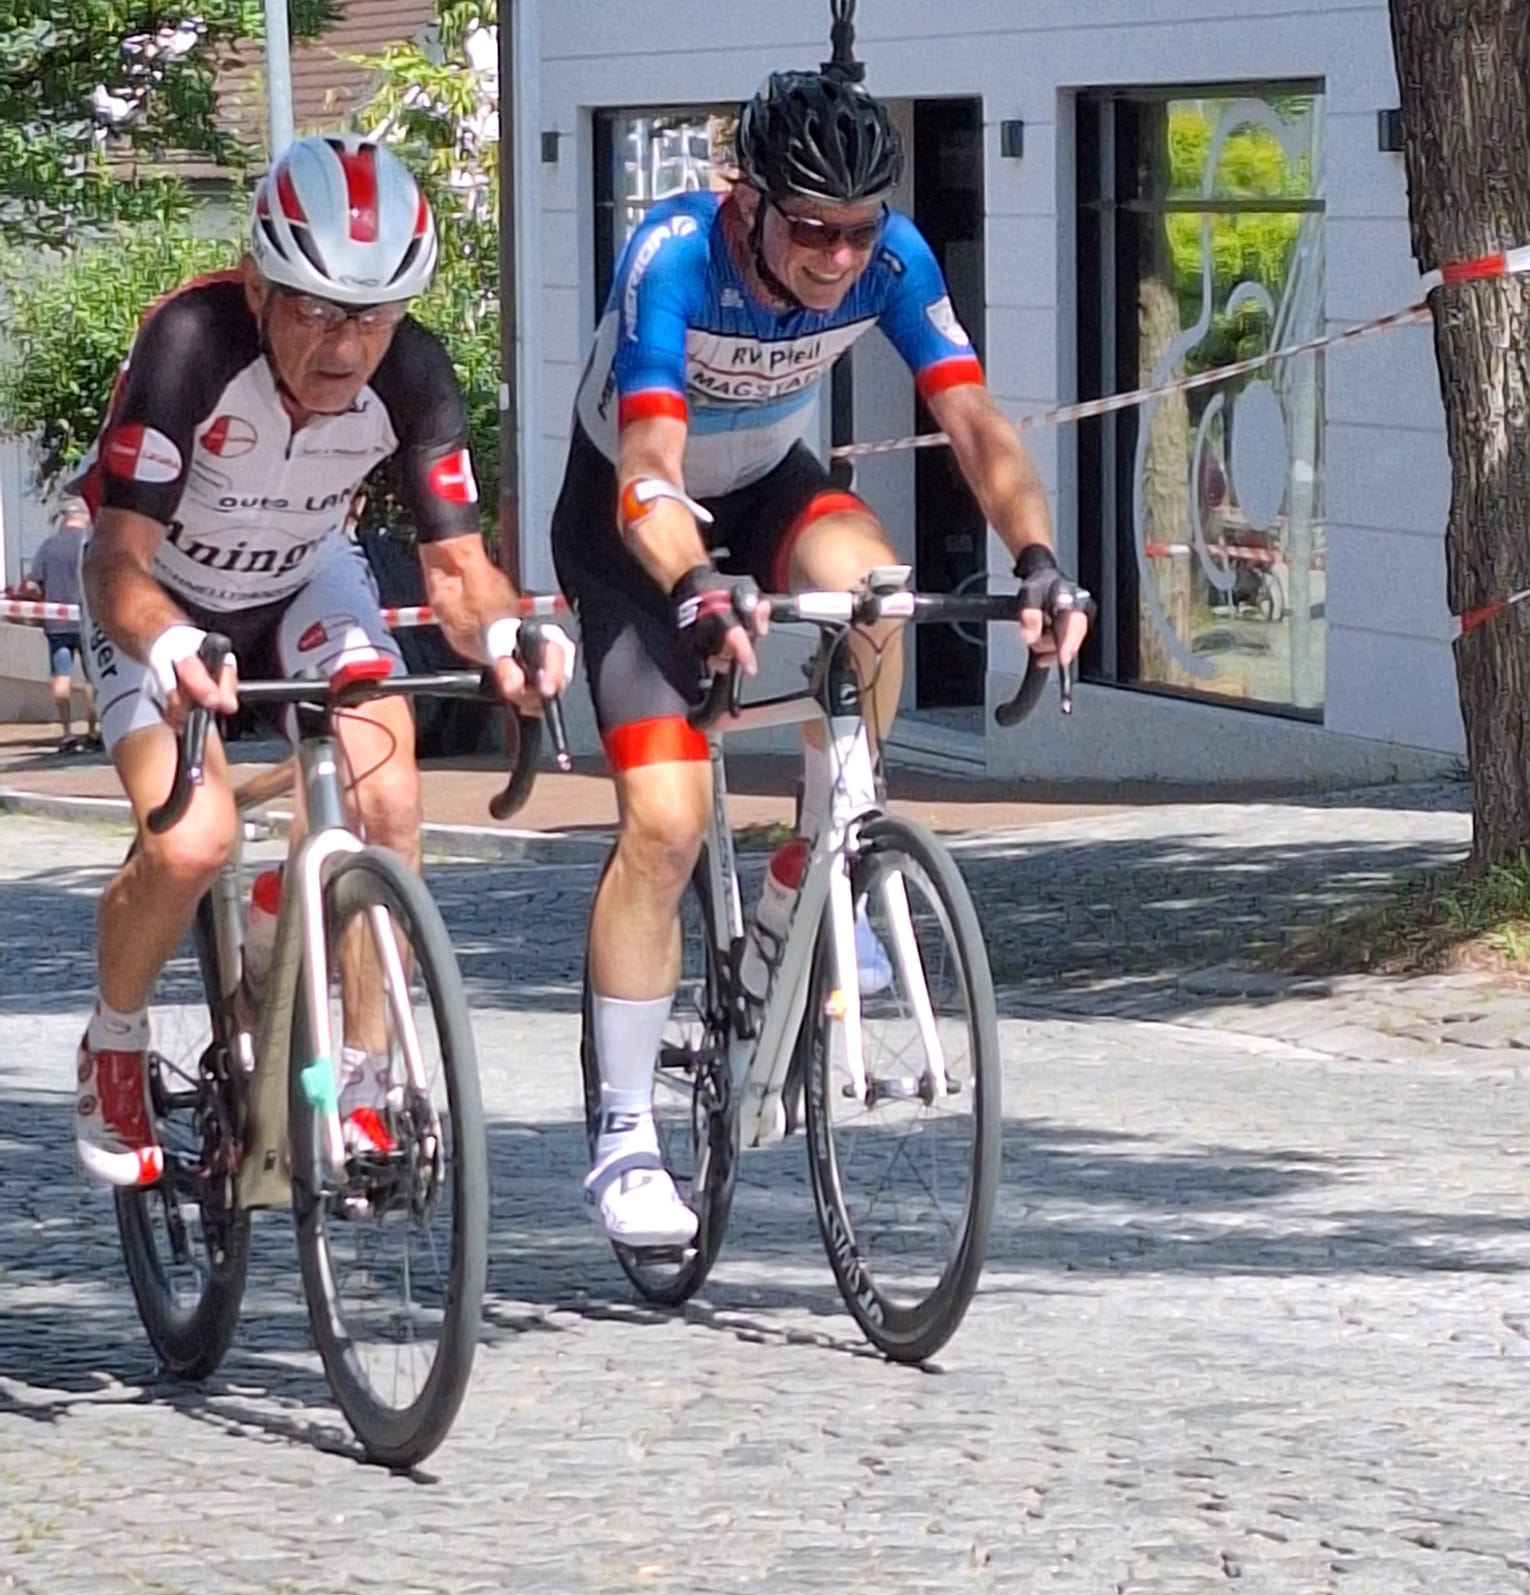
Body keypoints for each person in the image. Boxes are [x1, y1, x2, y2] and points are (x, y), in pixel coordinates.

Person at [551, 28, 1090, 1251]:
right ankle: (627, 1132)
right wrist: (695, 583)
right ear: (747, 201)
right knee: (669, 821)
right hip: (635, 521)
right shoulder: (673, 256)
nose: (841, 256)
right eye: (813, 230)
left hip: (770, 482)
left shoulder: (887, 257)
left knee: (878, 594)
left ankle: (824, 860)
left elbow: (978, 429)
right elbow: (645, 471)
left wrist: (1040, 559)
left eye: (860, 229)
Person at [73, 132, 572, 1188]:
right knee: (195, 838)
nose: (349, 347)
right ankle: (111, 1042)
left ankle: (360, 1081)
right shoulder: (192, 346)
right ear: (258, 283)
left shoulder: (416, 372)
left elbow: (458, 569)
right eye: (318, 310)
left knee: (386, 798)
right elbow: (116, 559)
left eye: (376, 317)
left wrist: (506, 635)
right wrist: (164, 640)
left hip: (303, 576)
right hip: (158, 594)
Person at [20, 499, 98, 751]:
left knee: (61, 675)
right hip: (88, 623)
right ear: (86, 517)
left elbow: (32, 585)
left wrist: (36, 603)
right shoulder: (91, 544)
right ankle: (93, 730)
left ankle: (66, 733)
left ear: (64, 518)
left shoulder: (48, 546)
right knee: (93, 677)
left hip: (56, 625)